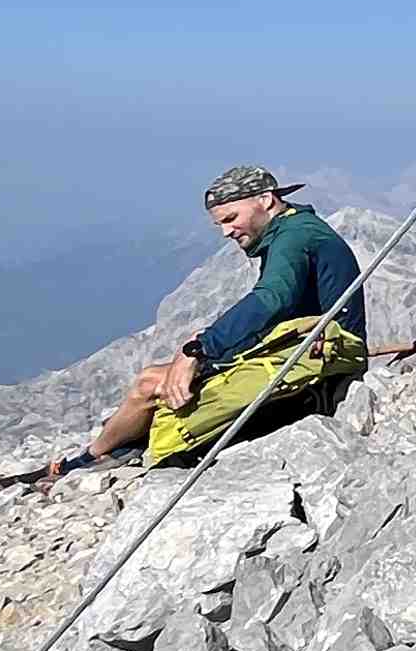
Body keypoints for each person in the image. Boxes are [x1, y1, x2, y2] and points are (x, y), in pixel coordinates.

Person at [53, 168, 364, 476]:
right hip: (312, 354)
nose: (226, 232)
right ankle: (108, 452)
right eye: (220, 224)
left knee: (150, 383)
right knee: (162, 377)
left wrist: (200, 350)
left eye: (231, 218)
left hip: (320, 366)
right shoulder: (296, 229)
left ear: (266, 201)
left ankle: (86, 461)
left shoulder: (294, 236)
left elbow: (272, 299)